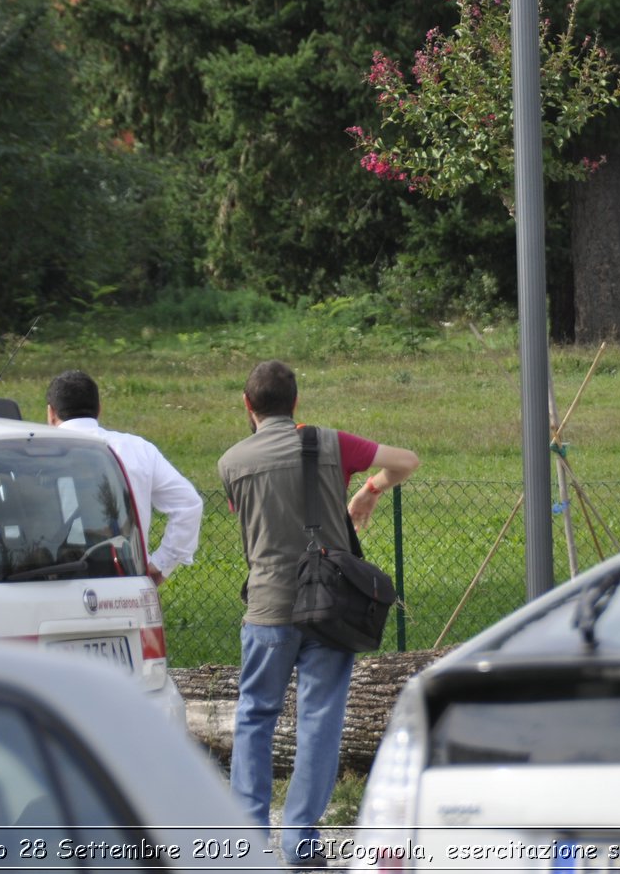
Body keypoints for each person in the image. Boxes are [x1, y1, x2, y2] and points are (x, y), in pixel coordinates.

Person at [219, 359, 419, 867]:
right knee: (319, 719)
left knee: (255, 716)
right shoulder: (332, 443)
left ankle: (247, 841)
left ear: (247, 406)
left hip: (267, 607)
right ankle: (301, 843)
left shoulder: (231, 462)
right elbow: (406, 460)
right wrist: (368, 491)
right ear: (297, 403)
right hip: (330, 606)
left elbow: (247, 521)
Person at [45, 369, 203, 585]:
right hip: (127, 580)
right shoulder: (138, 449)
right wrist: (160, 564)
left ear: (51, 413)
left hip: (49, 582)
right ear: (99, 409)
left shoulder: (34, 454)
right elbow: (188, 504)